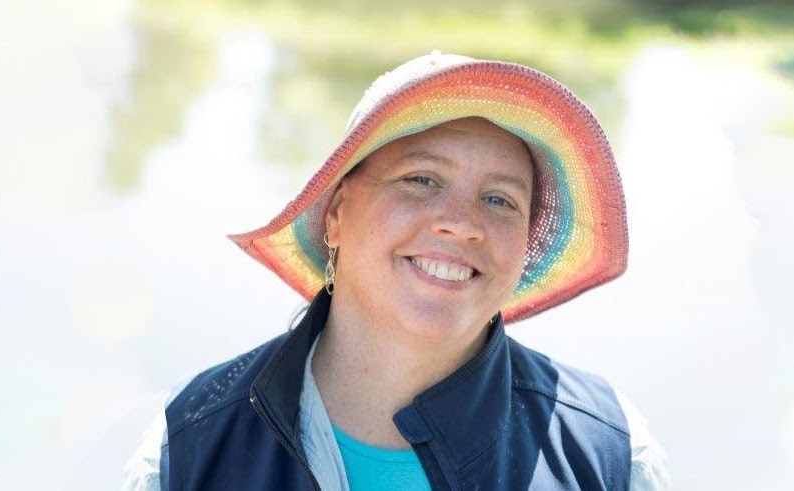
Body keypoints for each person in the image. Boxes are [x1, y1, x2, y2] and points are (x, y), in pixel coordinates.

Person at [124, 51, 668, 490]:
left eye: (500, 200)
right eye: (422, 180)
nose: (462, 224)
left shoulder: (608, 450)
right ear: (336, 214)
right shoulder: (191, 443)